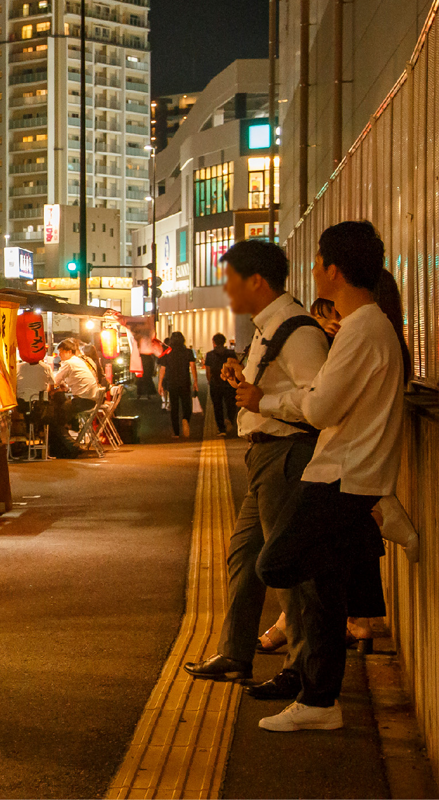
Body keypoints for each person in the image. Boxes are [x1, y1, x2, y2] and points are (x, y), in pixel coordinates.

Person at [236, 221, 406, 732]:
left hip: (342, 475)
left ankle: (319, 695)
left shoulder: (360, 329)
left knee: (278, 564)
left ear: (333, 269)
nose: (312, 271)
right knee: (320, 578)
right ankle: (319, 699)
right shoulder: (368, 326)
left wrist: (267, 400)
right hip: (347, 474)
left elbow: (321, 406)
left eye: (316, 262)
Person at [182, 240, 328, 703]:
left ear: (256, 281)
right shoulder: (270, 328)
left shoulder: (298, 331)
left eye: (229, 279)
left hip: (286, 456)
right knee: (244, 555)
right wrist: (244, 382)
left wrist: (260, 400)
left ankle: (303, 673)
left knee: (287, 569)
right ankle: (234, 653)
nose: (226, 290)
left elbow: (320, 403)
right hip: (265, 456)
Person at [158, 332, 198, 439]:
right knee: (186, 405)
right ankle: (185, 418)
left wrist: (160, 384)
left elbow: (162, 369)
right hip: (185, 382)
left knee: (174, 407)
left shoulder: (167, 352)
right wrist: (195, 382)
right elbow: (193, 367)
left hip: (172, 383)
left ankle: (176, 433)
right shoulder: (188, 352)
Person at [52, 339, 101, 422]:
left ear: (69, 352)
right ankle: (72, 428)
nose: (59, 355)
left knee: (59, 409)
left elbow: (54, 381)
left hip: (83, 402)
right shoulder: (78, 361)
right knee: (64, 404)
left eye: (61, 352)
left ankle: (64, 432)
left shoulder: (69, 363)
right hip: (91, 400)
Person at [203, 333, 238, 437]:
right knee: (231, 404)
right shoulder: (231, 353)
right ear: (224, 341)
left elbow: (208, 371)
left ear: (213, 342)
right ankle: (230, 419)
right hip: (229, 382)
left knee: (217, 407)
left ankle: (221, 429)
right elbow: (236, 367)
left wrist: (210, 381)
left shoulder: (210, 355)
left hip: (215, 383)